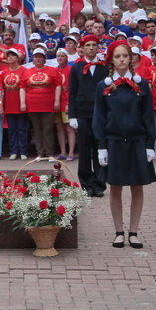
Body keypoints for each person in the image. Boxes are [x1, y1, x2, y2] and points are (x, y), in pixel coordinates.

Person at [94, 41, 156, 250]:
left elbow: (148, 116)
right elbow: (99, 117)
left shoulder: (141, 84)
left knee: (137, 187)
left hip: (137, 142)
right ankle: (119, 232)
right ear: (111, 60)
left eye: (125, 56)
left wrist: (150, 144)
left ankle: (134, 232)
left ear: (131, 59)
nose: (121, 59)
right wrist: (102, 145)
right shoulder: (103, 86)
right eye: (117, 56)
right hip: (114, 142)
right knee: (115, 187)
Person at [69, 34, 108, 197]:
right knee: (84, 150)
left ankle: (100, 183)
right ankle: (86, 183)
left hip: (99, 114)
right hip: (83, 113)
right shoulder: (76, 68)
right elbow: (72, 92)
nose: (91, 48)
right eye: (88, 45)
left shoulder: (104, 67)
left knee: (100, 148)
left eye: (94, 45)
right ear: (82, 48)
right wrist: (72, 115)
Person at [24, 48, 62, 161]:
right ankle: (40, 153)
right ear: (33, 59)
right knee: (37, 128)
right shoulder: (28, 71)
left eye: (40, 56)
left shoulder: (52, 70)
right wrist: (23, 102)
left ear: (44, 59)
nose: (38, 59)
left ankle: (49, 153)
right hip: (33, 103)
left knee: (48, 128)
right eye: (36, 57)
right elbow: (23, 87)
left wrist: (57, 101)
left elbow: (58, 85)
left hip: (48, 103)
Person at [54, 49, 76, 161]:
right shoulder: (54, 70)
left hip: (66, 101)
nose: (60, 58)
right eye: (58, 56)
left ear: (66, 58)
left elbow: (73, 88)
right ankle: (63, 151)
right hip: (57, 103)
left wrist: (69, 103)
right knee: (59, 128)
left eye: (62, 56)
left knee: (69, 128)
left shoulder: (70, 70)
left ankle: (71, 152)